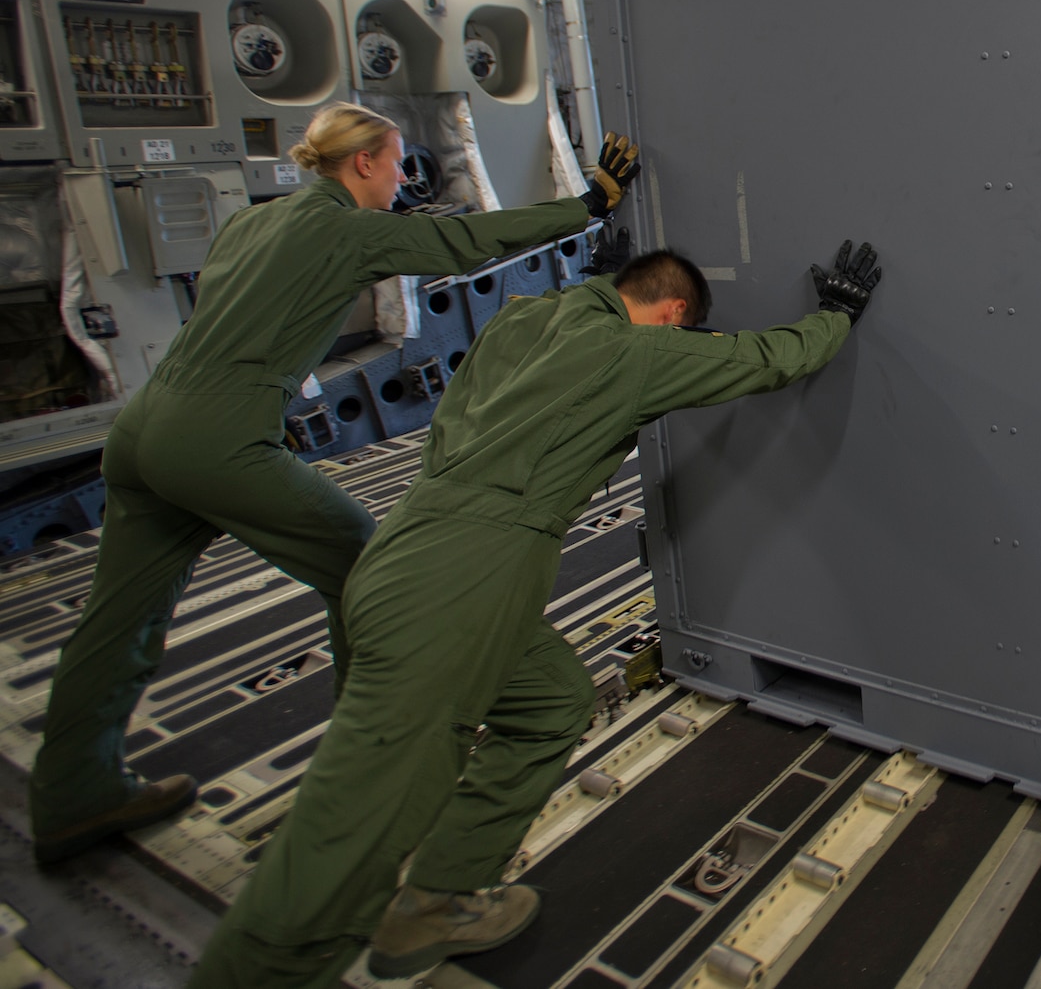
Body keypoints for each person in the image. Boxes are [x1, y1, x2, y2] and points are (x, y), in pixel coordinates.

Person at [187, 239, 884, 987]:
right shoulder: (633, 354)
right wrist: (835, 317)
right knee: (357, 812)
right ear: (673, 314)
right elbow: (764, 360)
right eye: (683, 331)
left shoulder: (522, 321)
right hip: (465, 578)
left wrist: (593, 277)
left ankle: (439, 896)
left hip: (405, 549)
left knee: (554, 702)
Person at [29, 102, 639, 865]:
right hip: (219, 438)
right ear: (362, 164)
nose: (401, 180)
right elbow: (460, 238)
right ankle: (375, 776)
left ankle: (71, 792)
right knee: (369, 570)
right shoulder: (346, 227)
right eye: (394, 165)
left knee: (119, 620)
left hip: (145, 430)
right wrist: (588, 204)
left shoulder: (255, 221)